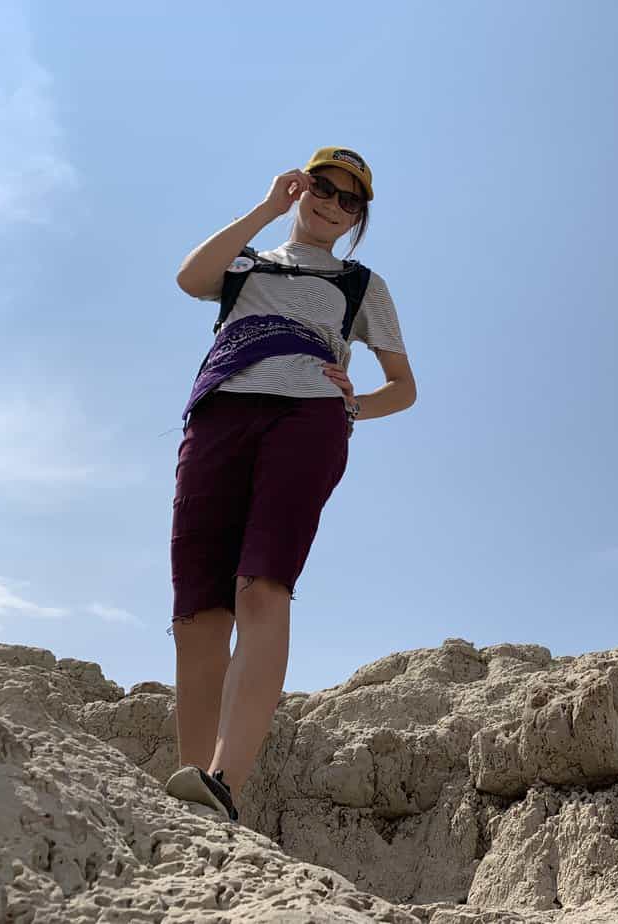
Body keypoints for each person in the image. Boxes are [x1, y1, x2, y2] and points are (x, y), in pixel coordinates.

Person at [164, 148, 416, 821]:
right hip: (218, 413)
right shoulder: (246, 265)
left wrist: (353, 402)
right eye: (322, 188)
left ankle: (224, 784)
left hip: (307, 420)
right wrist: (267, 209)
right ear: (300, 187)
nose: (332, 204)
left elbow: (404, 386)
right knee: (197, 610)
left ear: (359, 217)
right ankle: (191, 789)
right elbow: (191, 278)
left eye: (349, 200)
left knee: (262, 586)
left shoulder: (362, 285)